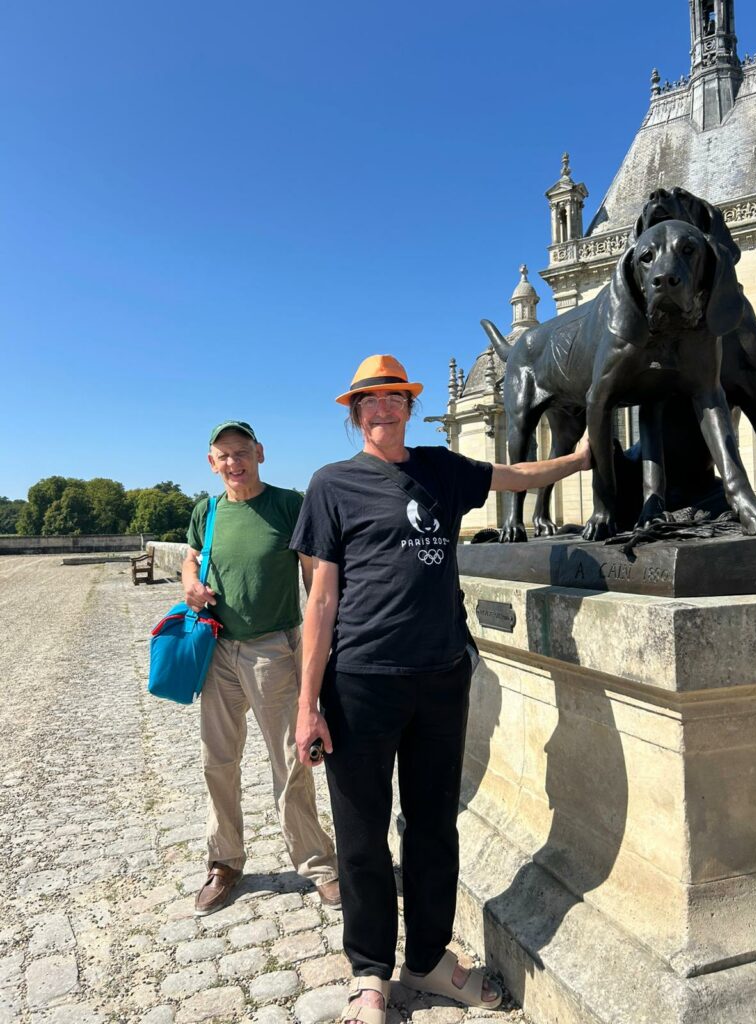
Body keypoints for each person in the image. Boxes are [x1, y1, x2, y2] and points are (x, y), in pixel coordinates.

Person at [290, 356, 591, 1024]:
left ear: (409, 406)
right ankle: (370, 971)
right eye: (370, 401)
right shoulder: (332, 484)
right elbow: (321, 600)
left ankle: (427, 958)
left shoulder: (442, 469)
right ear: (355, 414)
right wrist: (308, 705)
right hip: (359, 684)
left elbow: (514, 475)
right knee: (362, 837)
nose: (382, 409)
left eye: (394, 398)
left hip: (440, 679)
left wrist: (578, 460)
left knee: (433, 829)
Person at [182, 420, 340, 916]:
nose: (234, 462)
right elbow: (191, 558)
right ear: (212, 463)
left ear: (260, 454)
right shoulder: (206, 511)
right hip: (217, 649)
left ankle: (318, 863)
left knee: (292, 760)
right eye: (224, 455)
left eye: (242, 452)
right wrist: (189, 582)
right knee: (217, 760)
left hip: (274, 649)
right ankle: (224, 862)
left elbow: (316, 581)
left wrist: (322, 643)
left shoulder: (289, 505)